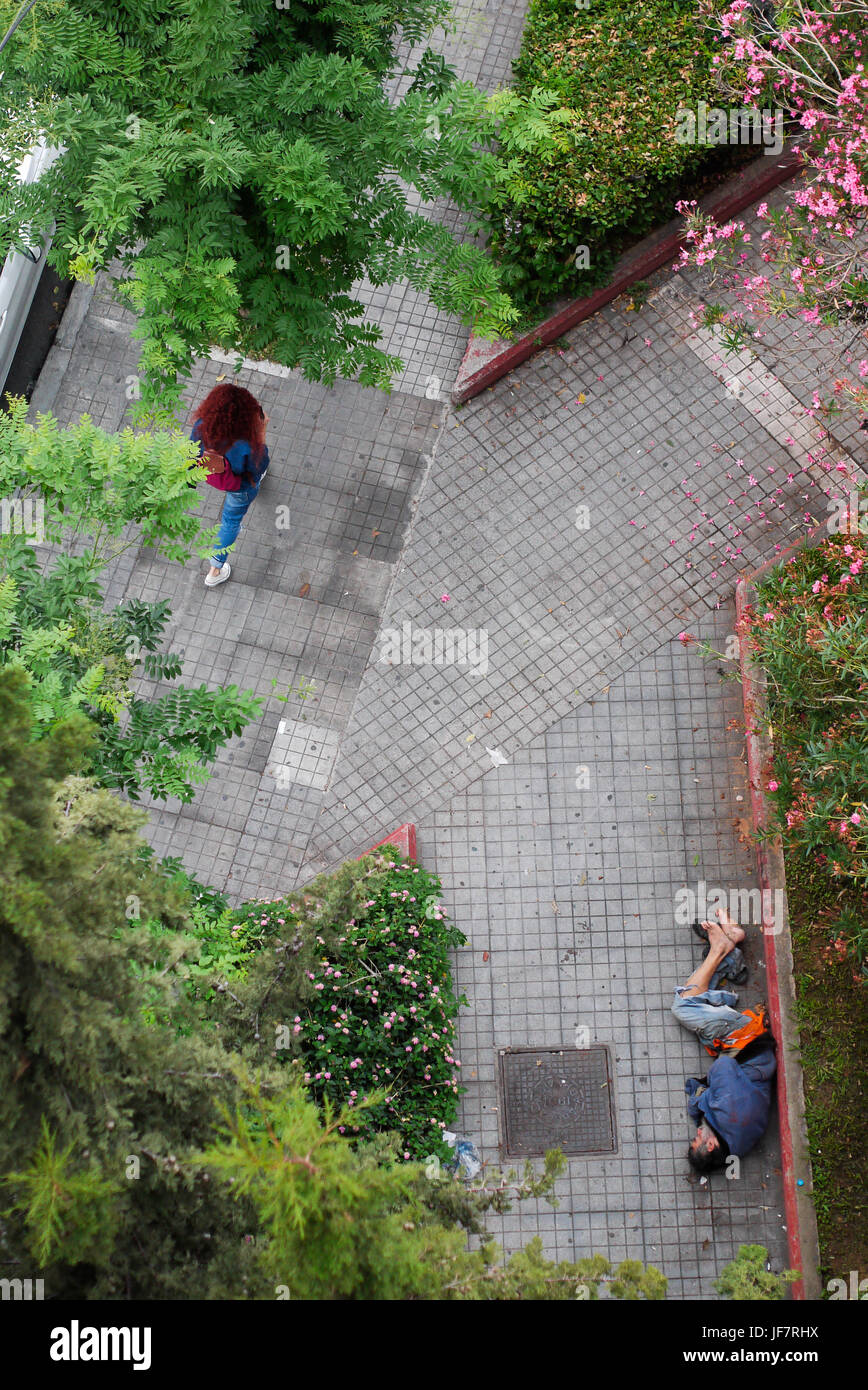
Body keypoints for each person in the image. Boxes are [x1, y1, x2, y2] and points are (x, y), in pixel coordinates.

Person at [671, 908, 777, 1174]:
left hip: (750, 1057)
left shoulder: (735, 1143)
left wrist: (703, 1106)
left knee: (698, 998)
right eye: (697, 1138)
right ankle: (722, 947)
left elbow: (707, 1107)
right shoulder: (728, 1111)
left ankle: (728, 950)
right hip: (748, 1041)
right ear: (709, 1146)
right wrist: (708, 1096)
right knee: (683, 1007)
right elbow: (722, 1069)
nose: (696, 1133)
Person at [189, 383, 270, 588]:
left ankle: (216, 569)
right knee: (231, 521)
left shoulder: (201, 426)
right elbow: (259, 465)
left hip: (214, 476)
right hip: (241, 487)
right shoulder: (243, 445)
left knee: (230, 521)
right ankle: (215, 569)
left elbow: (190, 453)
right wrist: (262, 432)